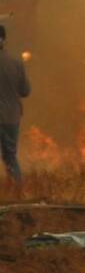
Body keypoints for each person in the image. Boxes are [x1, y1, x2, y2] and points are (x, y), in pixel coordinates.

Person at [0, 25, 30, 183]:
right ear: (4, 40)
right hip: (11, 117)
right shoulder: (16, 63)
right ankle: (17, 191)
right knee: (10, 156)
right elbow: (25, 91)